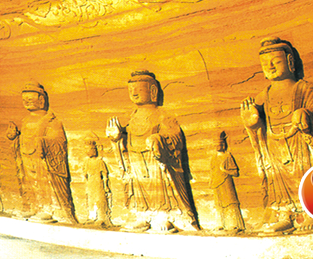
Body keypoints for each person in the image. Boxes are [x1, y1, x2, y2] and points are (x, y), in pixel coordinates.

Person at [240, 38, 313, 233]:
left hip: (301, 142)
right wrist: (252, 123)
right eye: (265, 64)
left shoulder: (306, 89)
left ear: (290, 62)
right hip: (274, 145)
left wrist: (307, 114)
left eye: (276, 61)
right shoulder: (263, 96)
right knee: (278, 179)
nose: (270, 66)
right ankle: (285, 213)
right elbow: (256, 126)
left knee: (307, 173)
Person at [106, 70, 199, 232]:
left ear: (153, 91)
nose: (134, 93)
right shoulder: (133, 116)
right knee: (139, 187)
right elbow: (125, 140)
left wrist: (159, 139)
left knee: (160, 187)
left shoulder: (161, 115)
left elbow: (175, 136)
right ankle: (142, 214)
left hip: (155, 159)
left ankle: (164, 215)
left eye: (139, 89)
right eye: (131, 89)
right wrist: (117, 138)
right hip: (135, 159)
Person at [16, 82, 77, 223]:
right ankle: (34, 206)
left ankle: (48, 208)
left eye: (30, 99)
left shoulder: (50, 120)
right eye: (24, 99)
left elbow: (59, 141)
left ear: (41, 100)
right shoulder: (25, 120)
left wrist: (43, 142)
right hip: (27, 156)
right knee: (29, 182)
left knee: (43, 181)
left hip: (43, 159)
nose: (26, 102)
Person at [210, 131, 245, 233]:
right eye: (216, 145)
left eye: (219, 144)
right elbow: (212, 170)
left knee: (230, 202)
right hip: (216, 183)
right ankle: (221, 224)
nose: (218, 146)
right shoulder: (213, 157)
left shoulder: (227, 156)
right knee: (219, 203)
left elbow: (235, 172)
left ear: (223, 145)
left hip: (226, 182)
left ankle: (234, 224)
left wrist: (225, 170)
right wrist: (211, 181)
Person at [83, 138, 113, 227]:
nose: (87, 151)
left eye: (88, 149)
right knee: (90, 200)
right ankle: (92, 217)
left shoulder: (99, 161)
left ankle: (101, 217)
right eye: (86, 149)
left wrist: (106, 186)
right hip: (90, 183)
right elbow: (85, 174)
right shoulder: (87, 162)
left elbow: (104, 175)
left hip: (98, 182)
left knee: (99, 200)